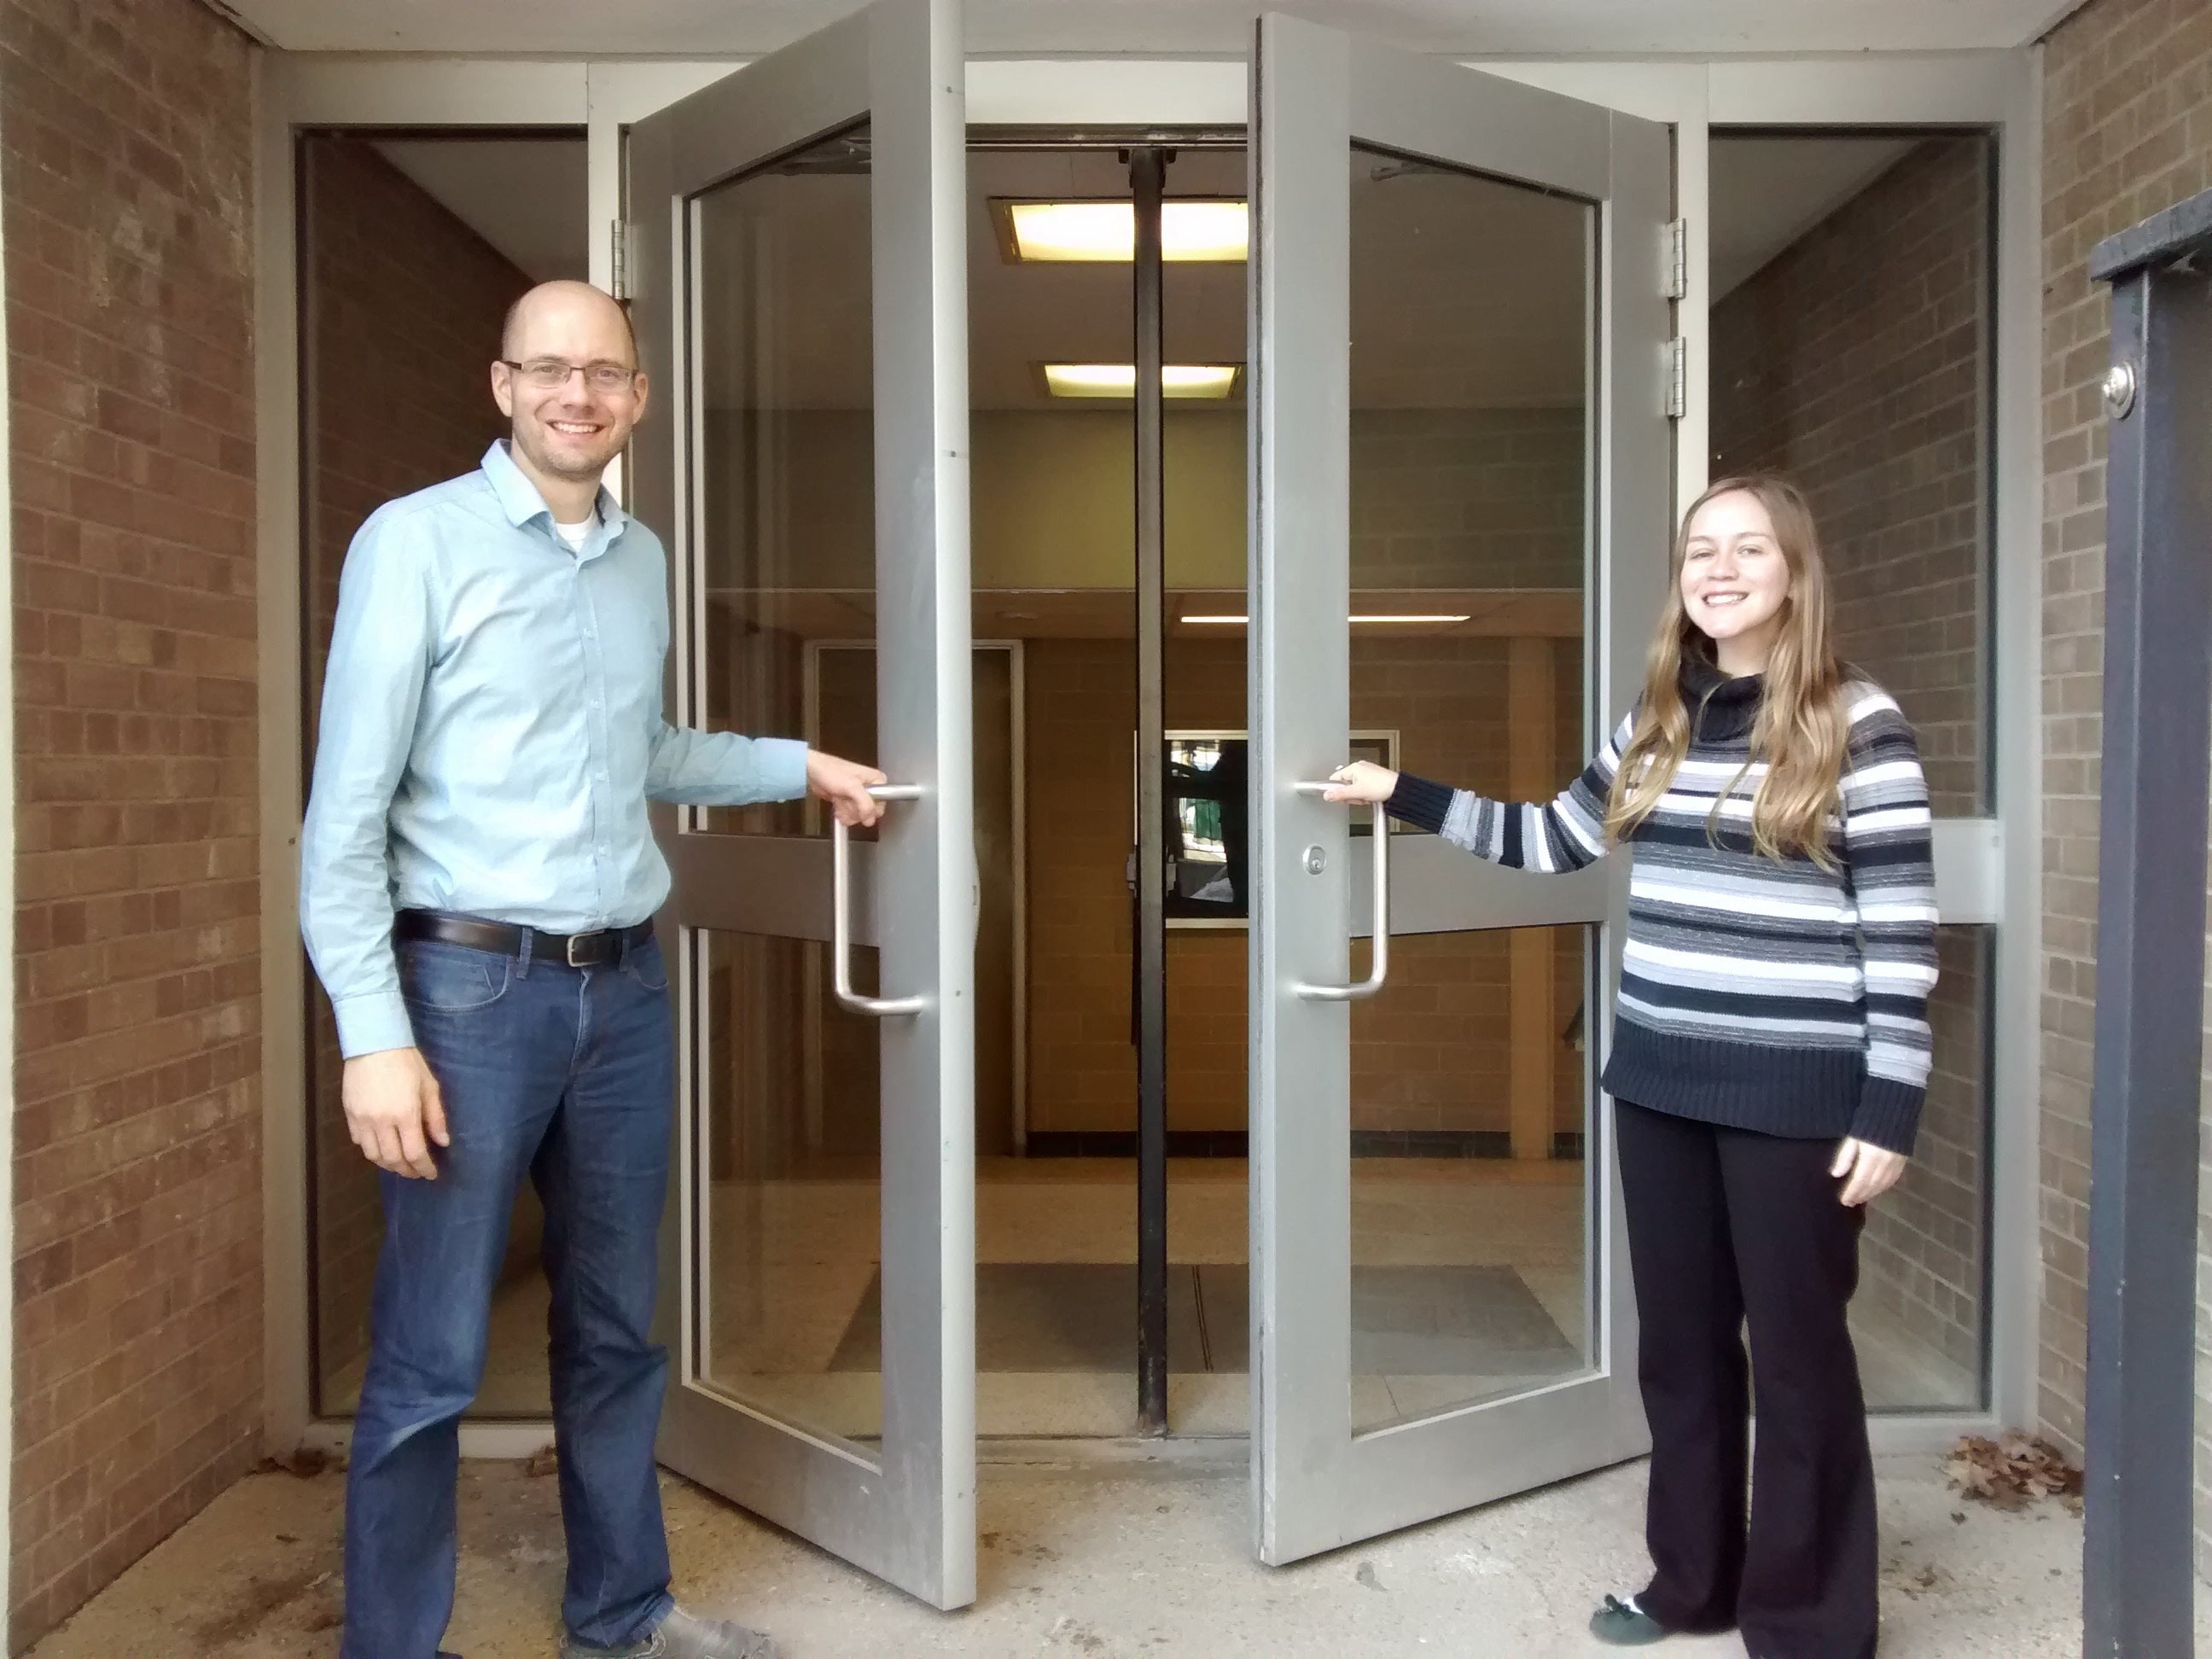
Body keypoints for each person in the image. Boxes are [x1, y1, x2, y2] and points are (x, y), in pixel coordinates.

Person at [301, 279, 886, 1659]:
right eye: (550, 370)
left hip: (621, 992)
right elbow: (344, 816)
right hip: (464, 999)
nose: (580, 395)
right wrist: (369, 1031)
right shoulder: (416, 544)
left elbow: (645, 752)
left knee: (620, 1331)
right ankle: (392, 1647)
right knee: (432, 1359)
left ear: (638, 397)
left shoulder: (641, 561)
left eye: (606, 373)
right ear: (501, 385)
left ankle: (620, 1615)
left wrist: (792, 766)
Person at [1327, 474, 1936, 1659]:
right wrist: (1401, 791)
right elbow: (1554, 840)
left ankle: (1810, 1620)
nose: (1719, 568)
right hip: (1659, 1083)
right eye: (1700, 550)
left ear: (1794, 573)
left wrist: (1891, 1102)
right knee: (1683, 1349)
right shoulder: (1655, 715)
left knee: (1800, 1361)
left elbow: (1903, 928)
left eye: (1746, 548)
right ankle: (1692, 1581)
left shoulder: (1860, 722)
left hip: (1796, 1098)